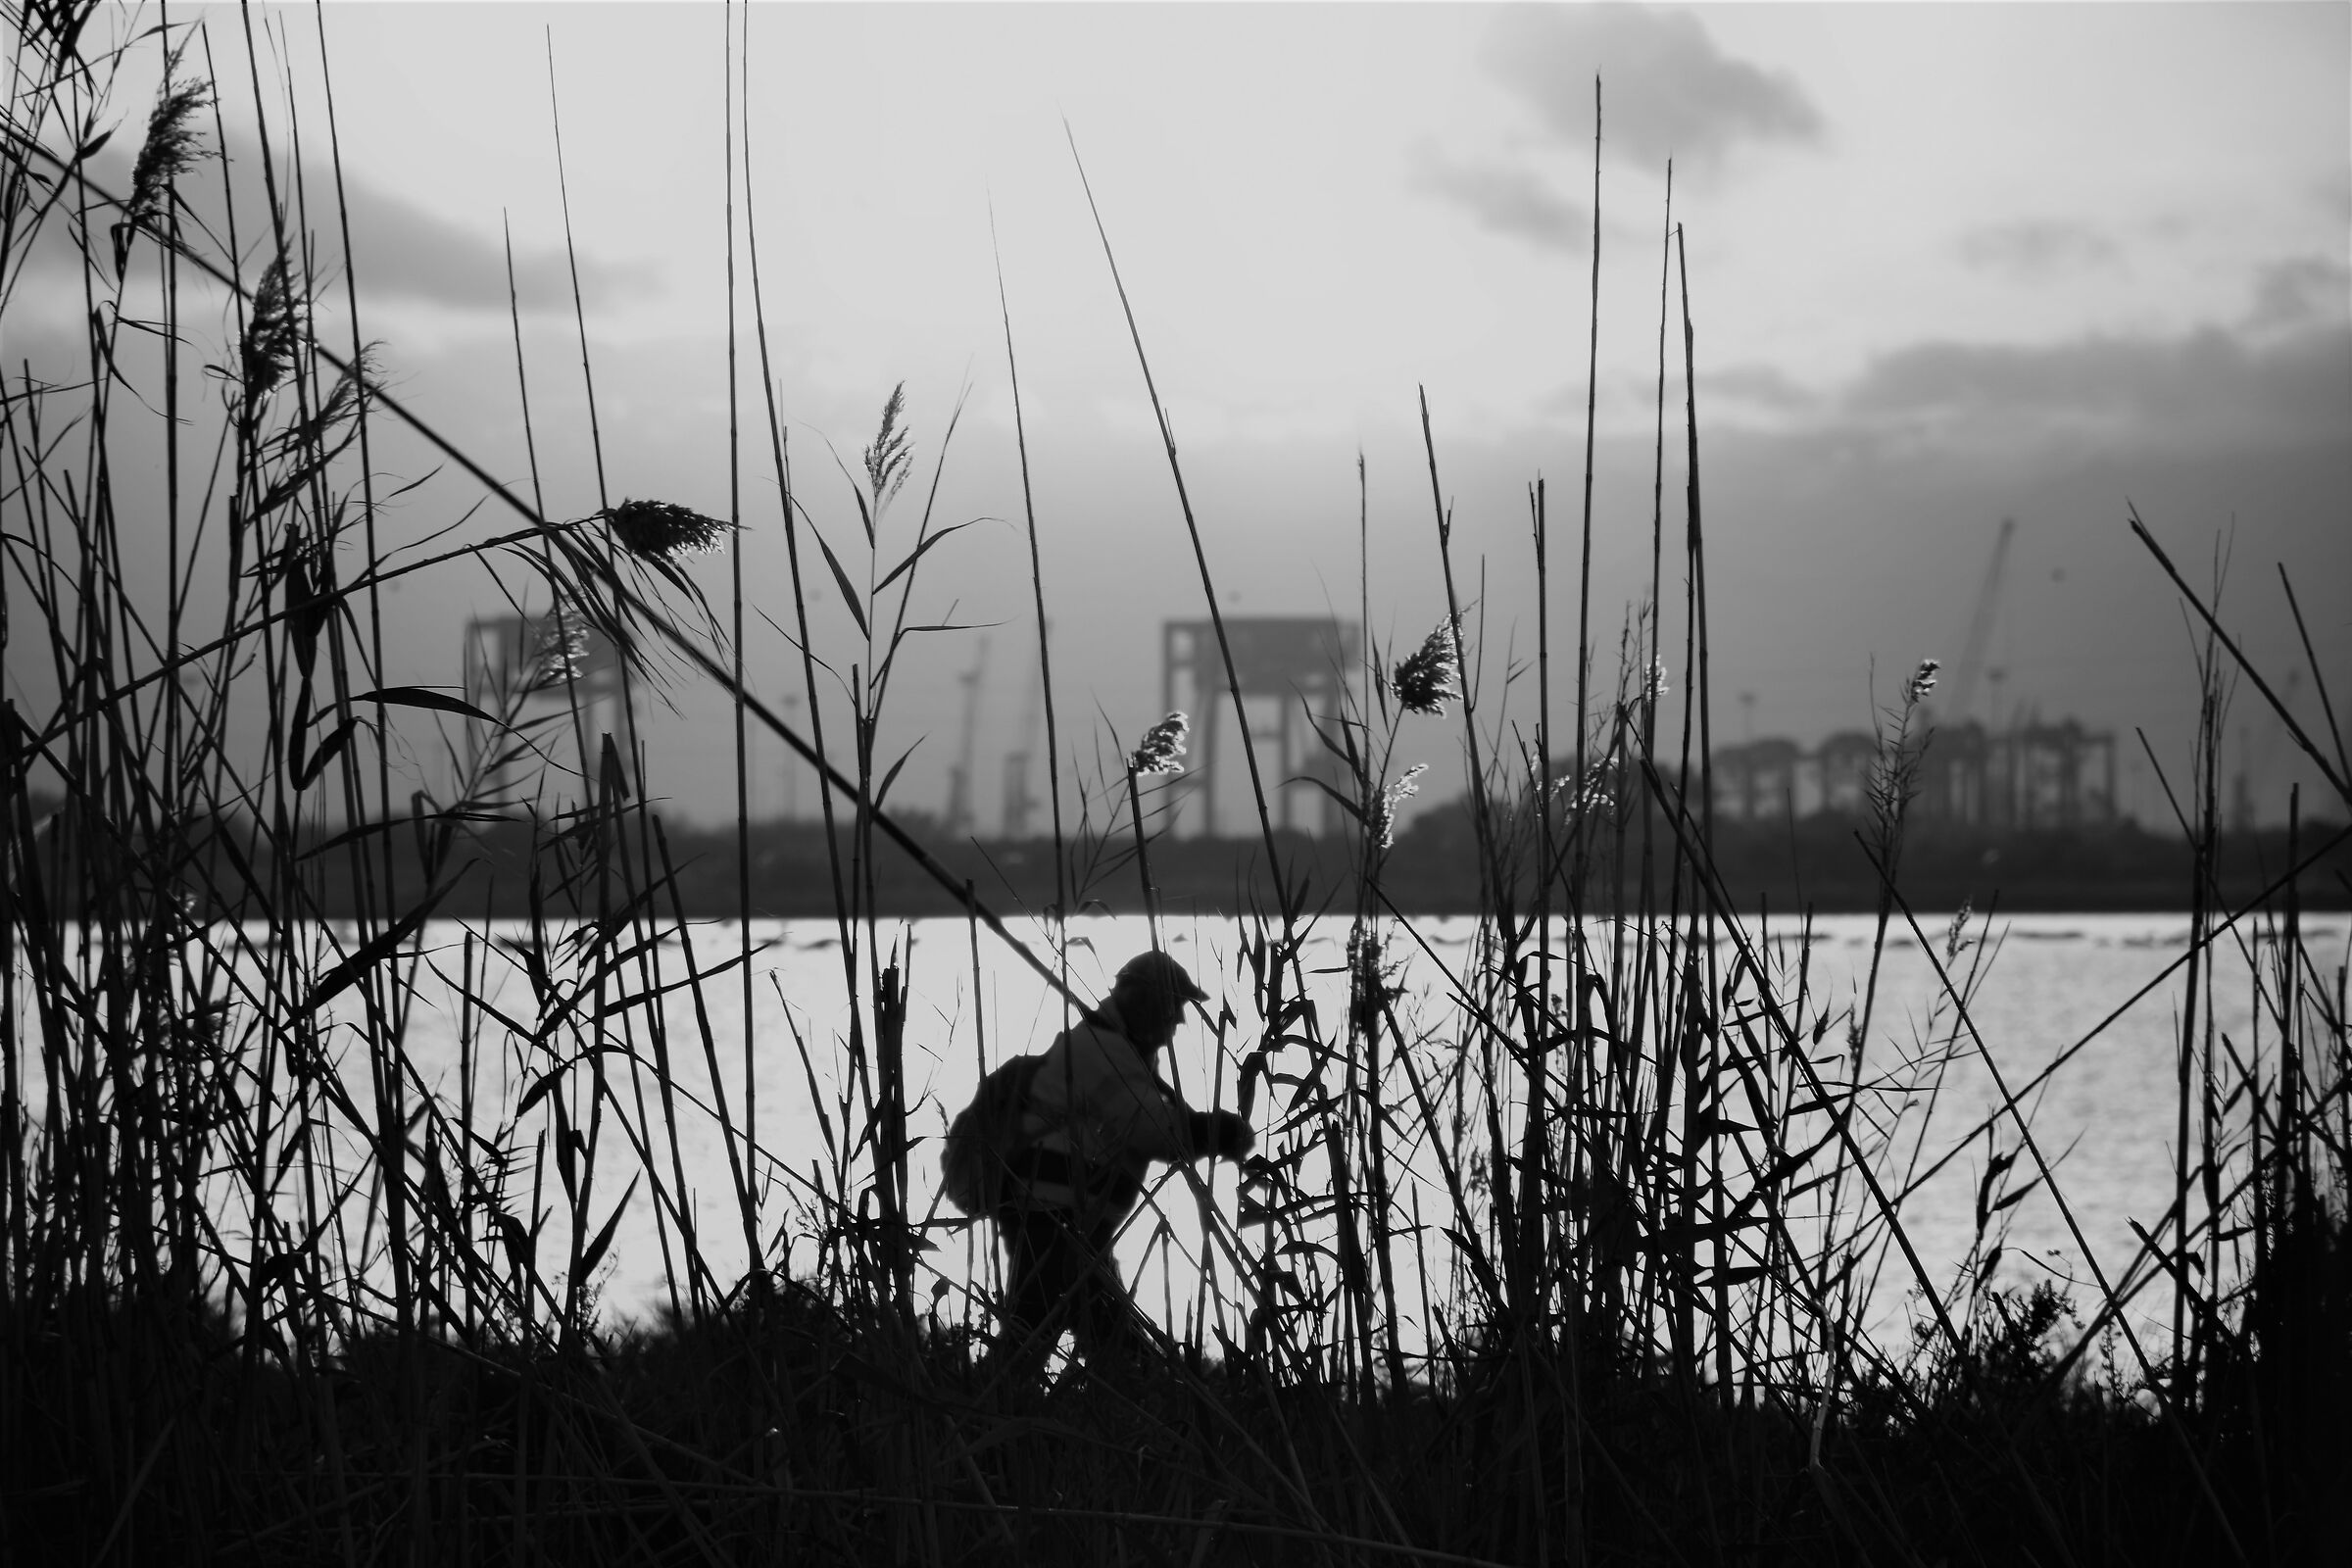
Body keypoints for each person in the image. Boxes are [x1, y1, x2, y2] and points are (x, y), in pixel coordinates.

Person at [991, 950, 1252, 1371]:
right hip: (1056, 1218)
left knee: (1044, 1329)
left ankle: (995, 1410)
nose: (1180, 1020)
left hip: (1069, 1220)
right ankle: (1148, 1405)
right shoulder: (1103, 1050)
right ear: (1145, 1002)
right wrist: (1216, 1131)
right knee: (1094, 1335)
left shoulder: (1116, 1048)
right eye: (1175, 1006)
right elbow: (1148, 1127)